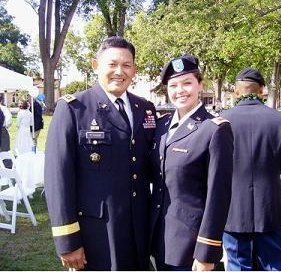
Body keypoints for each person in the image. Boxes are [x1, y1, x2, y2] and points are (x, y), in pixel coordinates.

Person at [44, 36, 156, 271]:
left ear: (134, 69)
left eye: (126, 65)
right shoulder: (74, 108)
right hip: (97, 233)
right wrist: (67, 241)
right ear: (96, 66)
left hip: (139, 230)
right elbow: (58, 179)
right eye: (112, 64)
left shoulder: (145, 108)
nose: (119, 71)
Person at [150, 54, 233, 271]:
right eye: (173, 85)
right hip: (161, 238)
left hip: (191, 244)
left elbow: (218, 195)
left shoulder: (214, 129)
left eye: (187, 83)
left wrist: (207, 251)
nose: (180, 91)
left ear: (199, 85)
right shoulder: (162, 126)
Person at [221, 67, 281, 271]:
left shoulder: (222, 120)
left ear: (236, 92)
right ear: (262, 90)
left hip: (233, 207)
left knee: (238, 265)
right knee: (274, 264)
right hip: (270, 205)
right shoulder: (280, 120)